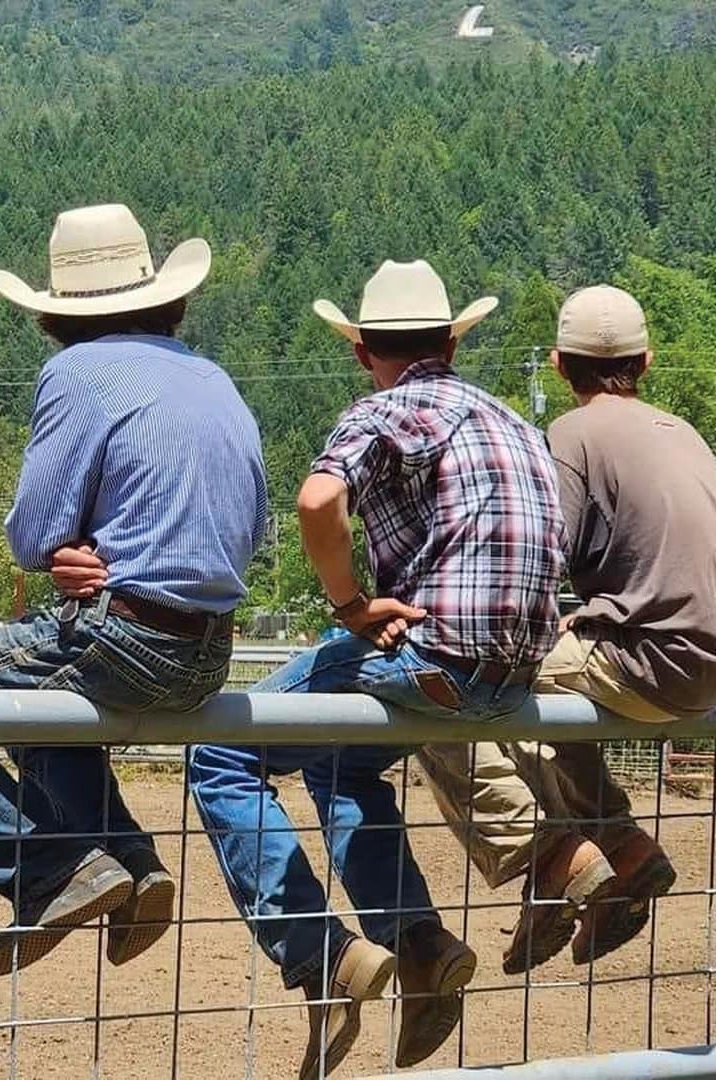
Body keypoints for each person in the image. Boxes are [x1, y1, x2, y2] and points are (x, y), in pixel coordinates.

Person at [190, 260, 567, 1078]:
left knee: (219, 752)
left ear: (364, 352)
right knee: (340, 767)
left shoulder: (385, 409)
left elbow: (318, 502)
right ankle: (420, 943)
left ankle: (318, 953)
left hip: (435, 653)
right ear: (453, 343)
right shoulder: (507, 417)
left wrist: (351, 601)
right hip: (522, 670)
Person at [0, 204, 267, 977]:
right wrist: (101, 549)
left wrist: (68, 549)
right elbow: (245, 524)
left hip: (127, 635)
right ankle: (131, 863)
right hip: (210, 650)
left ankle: (44, 868)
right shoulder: (213, 377)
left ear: (57, 313)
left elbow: (29, 532)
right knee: (45, 709)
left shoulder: (75, 373)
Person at [418, 285, 713, 972]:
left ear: (556, 364)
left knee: (463, 690)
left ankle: (551, 863)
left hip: (651, 658)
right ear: (646, 361)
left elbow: (542, 557)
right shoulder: (686, 434)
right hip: (701, 664)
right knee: (556, 693)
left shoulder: (570, 436)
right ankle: (623, 849)